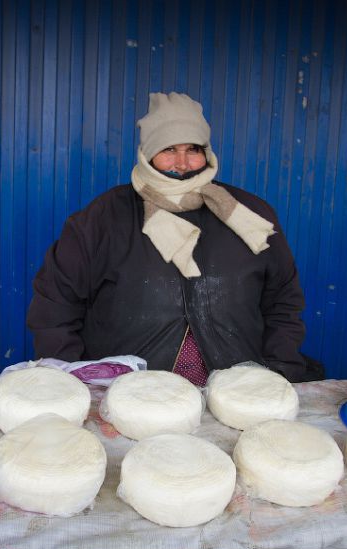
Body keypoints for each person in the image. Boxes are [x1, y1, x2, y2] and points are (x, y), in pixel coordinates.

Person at [27, 92, 320, 385]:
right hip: (129, 394)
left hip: (234, 390)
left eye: (193, 149)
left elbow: (283, 300)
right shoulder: (101, 219)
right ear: (147, 152)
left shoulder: (250, 215)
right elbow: (55, 305)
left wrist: (278, 370)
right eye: (169, 149)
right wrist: (75, 381)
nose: (182, 163)